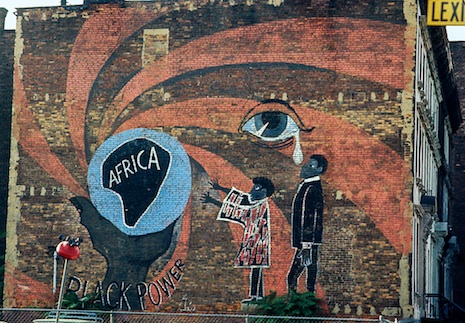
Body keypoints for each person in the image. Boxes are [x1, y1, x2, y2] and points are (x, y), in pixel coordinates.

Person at [201, 177, 275, 302]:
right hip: (254, 240)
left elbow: (237, 211)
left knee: (256, 267)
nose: (252, 189)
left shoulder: (259, 207)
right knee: (256, 267)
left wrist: (213, 201)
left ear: (263, 191)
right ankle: (258, 296)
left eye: (256, 187)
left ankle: (255, 296)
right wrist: (220, 188)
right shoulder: (257, 202)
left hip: (258, 241)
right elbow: (241, 197)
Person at [287, 154, 328, 293]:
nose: (305, 167)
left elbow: (310, 217)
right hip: (309, 243)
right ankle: (308, 300)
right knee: (310, 276)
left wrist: (306, 246)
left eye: (311, 166)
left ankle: (295, 306)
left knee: (292, 277)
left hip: (307, 243)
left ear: (319, 169)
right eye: (307, 164)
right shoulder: (308, 186)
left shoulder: (311, 188)